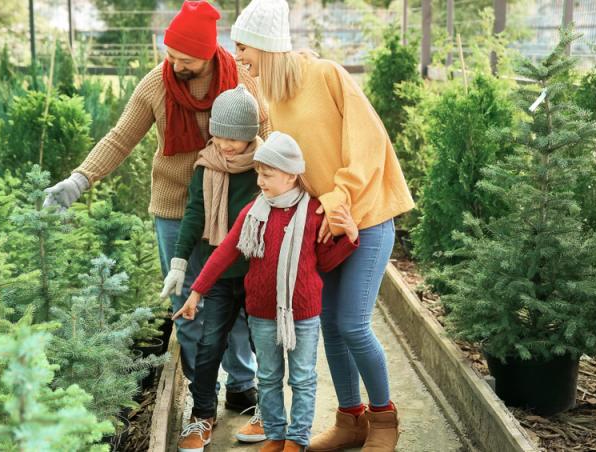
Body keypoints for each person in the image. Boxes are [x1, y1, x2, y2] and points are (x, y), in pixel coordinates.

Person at [43, 0, 270, 412]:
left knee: (234, 299)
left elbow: (268, 131)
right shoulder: (156, 84)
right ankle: (202, 393)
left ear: (207, 53)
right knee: (185, 301)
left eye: (185, 58)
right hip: (175, 207)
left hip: (233, 208)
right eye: (170, 54)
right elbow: (120, 137)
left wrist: (276, 192)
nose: (175, 63)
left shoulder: (239, 80)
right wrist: (80, 179)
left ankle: (242, 384)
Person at [229, 1, 416, 450]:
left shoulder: (327, 75)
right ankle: (351, 422)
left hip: (366, 218)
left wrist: (338, 198)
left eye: (243, 46)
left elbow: (369, 145)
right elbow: (290, 162)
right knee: (329, 325)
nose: (238, 56)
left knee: (352, 324)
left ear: (268, 46)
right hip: (325, 229)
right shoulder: (272, 99)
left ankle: (384, 420)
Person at [173, 132, 360, 452]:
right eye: (258, 172)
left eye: (267, 173)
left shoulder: (313, 212)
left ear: (290, 175)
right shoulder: (253, 213)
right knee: (270, 379)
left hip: (302, 315)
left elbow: (326, 262)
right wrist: (196, 293)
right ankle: (275, 434)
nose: (259, 180)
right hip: (261, 313)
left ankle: (297, 439)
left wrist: (349, 236)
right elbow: (224, 253)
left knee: (301, 379)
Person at [159, 84, 266, 451]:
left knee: (263, 345)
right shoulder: (207, 166)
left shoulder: (265, 168)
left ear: (250, 136)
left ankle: (268, 411)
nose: (223, 145)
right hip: (219, 275)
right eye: (218, 135)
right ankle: (203, 413)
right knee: (209, 344)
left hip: (257, 275)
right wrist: (179, 262)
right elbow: (193, 215)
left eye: (232, 139)